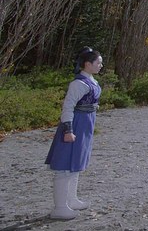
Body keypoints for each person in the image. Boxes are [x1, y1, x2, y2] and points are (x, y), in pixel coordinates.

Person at [45, 47, 103, 220]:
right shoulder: (78, 84)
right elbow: (68, 107)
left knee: (75, 164)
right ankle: (60, 207)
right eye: (98, 62)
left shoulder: (91, 81)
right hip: (75, 125)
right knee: (64, 166)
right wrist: (68, 130)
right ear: (87, 64)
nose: (101, 65)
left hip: (85, 125)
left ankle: (72, 199)